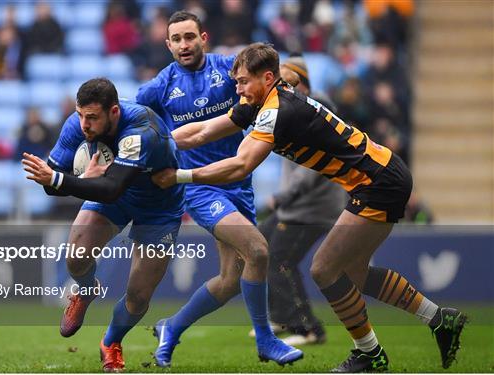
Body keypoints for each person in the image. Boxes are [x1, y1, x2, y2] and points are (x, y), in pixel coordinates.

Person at [152, 43, 467, 373]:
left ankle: (369, 354)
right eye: (236, 81)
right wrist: (161, 144)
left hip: (379, 181)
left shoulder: (277, 112)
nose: (238, 89)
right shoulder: (260, 100)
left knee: (324, 268)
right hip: (379, 175)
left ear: (268, 78)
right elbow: (204, 130)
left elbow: (241, 166)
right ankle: (438, 319)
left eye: (243, 81)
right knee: (355, 273)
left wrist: (179, 176)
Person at [136, 11, 302, 368]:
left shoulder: (228, 69)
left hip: (238, 183)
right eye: (176, 39)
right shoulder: (156, 88)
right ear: (167, 45)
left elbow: (265, 75)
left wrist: (288, 74)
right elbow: (132, 124)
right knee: (258, 250)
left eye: (189, 37)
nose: (184, 44)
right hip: (198, 186)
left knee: (229, 280)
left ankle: (171, 328)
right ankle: (266, 340)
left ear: (203, 38)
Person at [22, 78, 185, 372]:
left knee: (138, 295)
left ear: (114, 112)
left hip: (158, 206)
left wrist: (65, 181)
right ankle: (85, 289)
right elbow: (51, 186)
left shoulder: (142, 130)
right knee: (75, 257)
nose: (84, 124)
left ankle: (111, 341)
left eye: (93, 117)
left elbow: (110, 188)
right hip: (114, 194)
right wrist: (78, 180)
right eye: (81, 114)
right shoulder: (76, 124)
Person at [252, 56, 347, 346]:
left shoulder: (317, 109)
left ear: (301, 81)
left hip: (314, 207)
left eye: (287, 81)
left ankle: (308, 328)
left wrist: (283, 196)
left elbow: (314, 168)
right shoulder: (293, 108)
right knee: (262, 247)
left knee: (281, 259)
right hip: (300, 205)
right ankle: (282, 316)